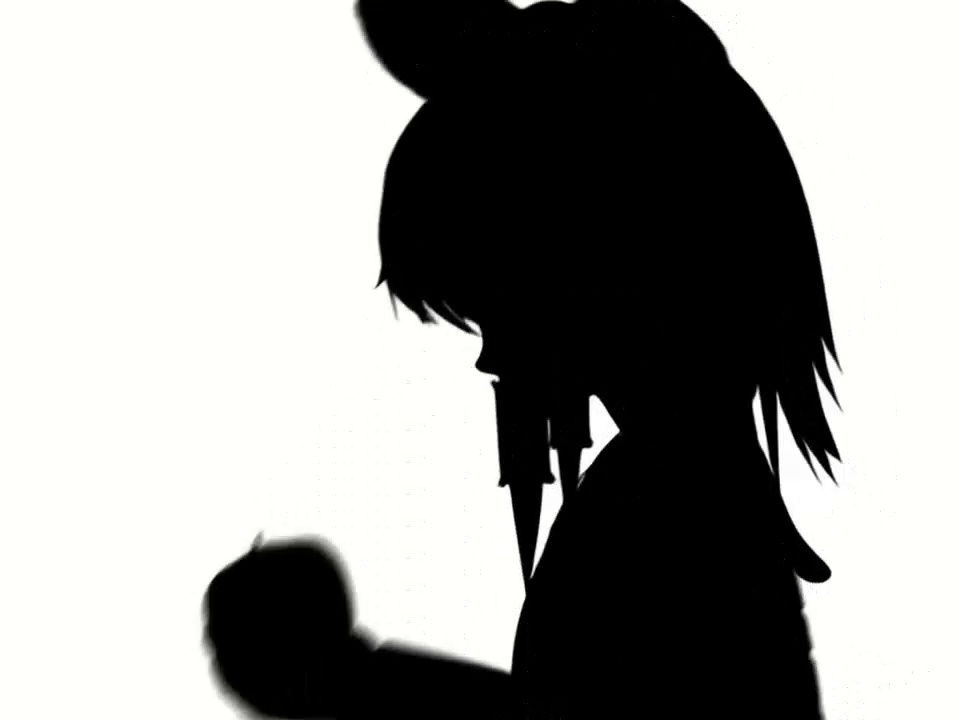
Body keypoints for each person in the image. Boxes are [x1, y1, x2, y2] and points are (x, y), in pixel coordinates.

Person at [357, 0, 841, 718]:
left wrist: (359, 681)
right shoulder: (693, 499)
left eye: (497, 302)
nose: (491, 358)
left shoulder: (670, 518)